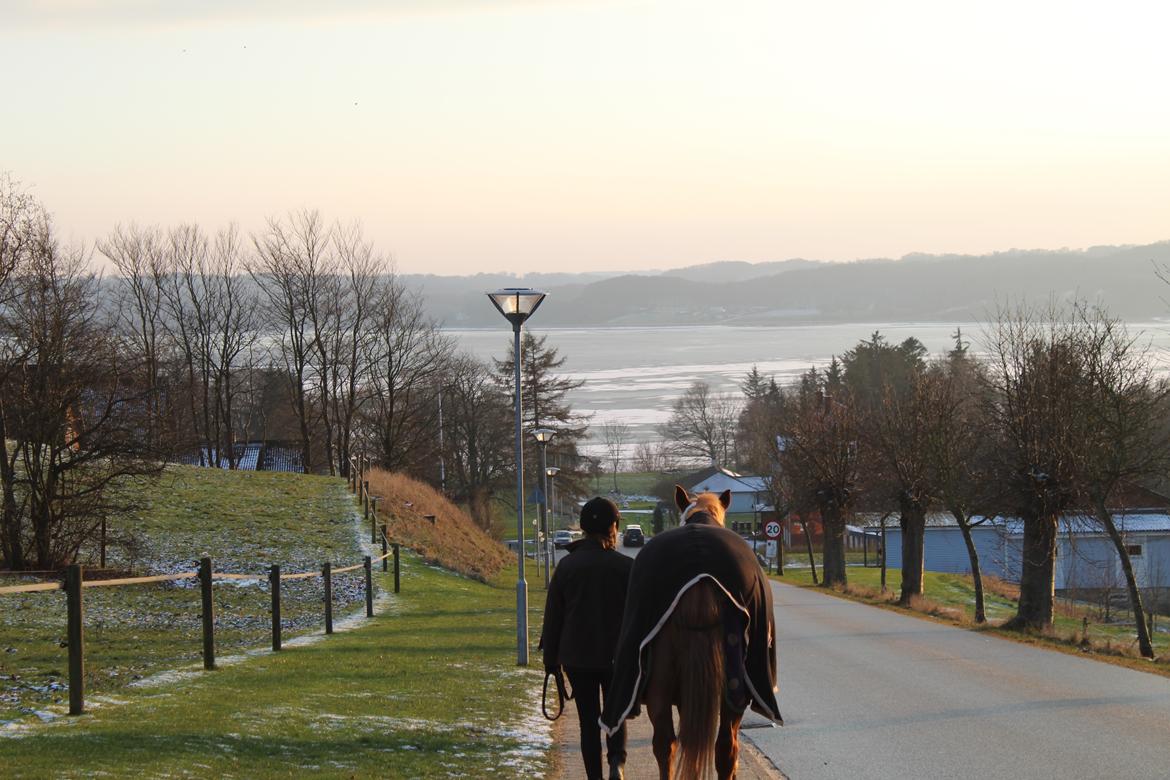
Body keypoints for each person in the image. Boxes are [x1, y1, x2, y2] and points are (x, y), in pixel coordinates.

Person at [540, 496, 633, 780]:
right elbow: (637, 617)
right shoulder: (625, 567)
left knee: (587, 722)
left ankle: (594, 777)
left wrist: (550, 663)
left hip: (577, 658)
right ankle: (616, 761)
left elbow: (554, 617)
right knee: (615, 715)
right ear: (613, 527)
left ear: (582, 529)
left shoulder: (567, 568)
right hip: (616, 657)